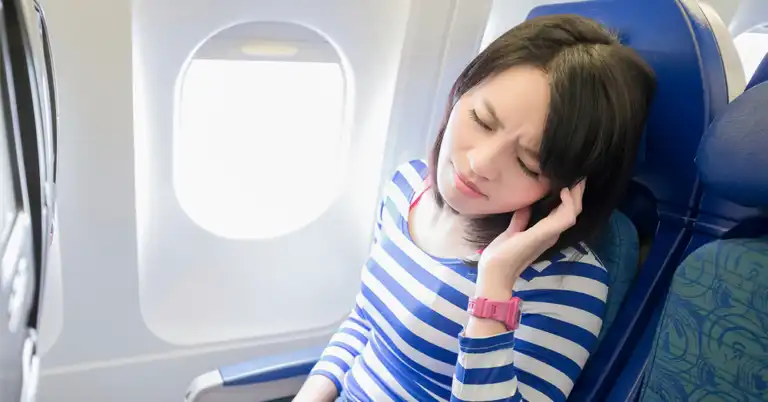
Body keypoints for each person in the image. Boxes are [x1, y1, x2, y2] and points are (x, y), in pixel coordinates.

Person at [294, 14, 656, 402]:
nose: (481, 163)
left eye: (528, 164)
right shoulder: (406, 187)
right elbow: (365, 323)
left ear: (566, 186)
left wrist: (495, 287)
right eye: (481, 120)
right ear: (460, 92)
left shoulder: (568, 280)